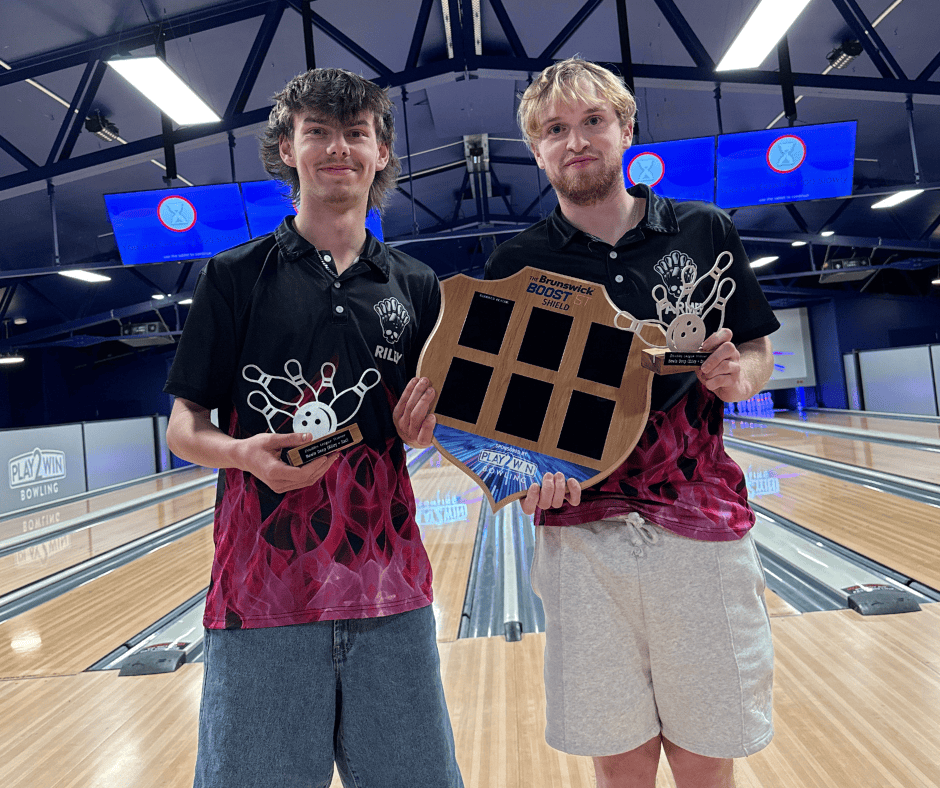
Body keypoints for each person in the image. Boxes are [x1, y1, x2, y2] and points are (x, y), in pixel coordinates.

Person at [484, 57, 778, 788]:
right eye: (556, 129)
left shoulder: (702, 230)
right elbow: (493, 415)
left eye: (592, 122)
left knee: (707, 754)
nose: (576, 140)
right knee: (620, 760)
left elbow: (755, 347)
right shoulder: (519, 262)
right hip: (581, 539)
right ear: (537, 147)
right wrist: (521, 478)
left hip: (701, 523)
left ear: (625, 130)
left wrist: (743, 376)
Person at [165, 67, 461, 788]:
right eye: (318, 133)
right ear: (288, 150)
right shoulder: (234, 275)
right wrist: (242, 454)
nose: (338, 149)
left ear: (381, 152)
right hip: (260, 597)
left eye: (355, 134)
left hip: (390, 593)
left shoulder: (415, 285)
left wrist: (431, 430)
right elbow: (183, 426)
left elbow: (439, 421)